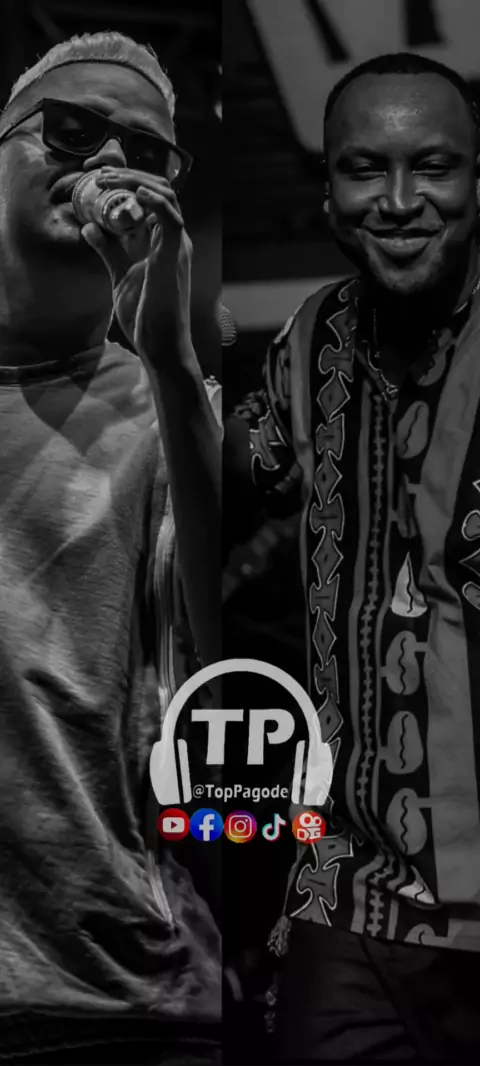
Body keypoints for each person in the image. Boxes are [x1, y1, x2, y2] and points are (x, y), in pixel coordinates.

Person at [226, 52, 480, 1063]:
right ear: (329, 189)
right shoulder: (311, 338)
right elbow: (231, 472)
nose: (401, 200)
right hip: (350, 900)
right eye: (366, 169)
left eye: (434, 167)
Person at [0, 30, 221, 1066]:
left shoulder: (175, 411)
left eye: (145, 152)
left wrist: (171, 362)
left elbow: (230, 666)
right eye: (71, 130)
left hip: (117, 1002)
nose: (109, 163)